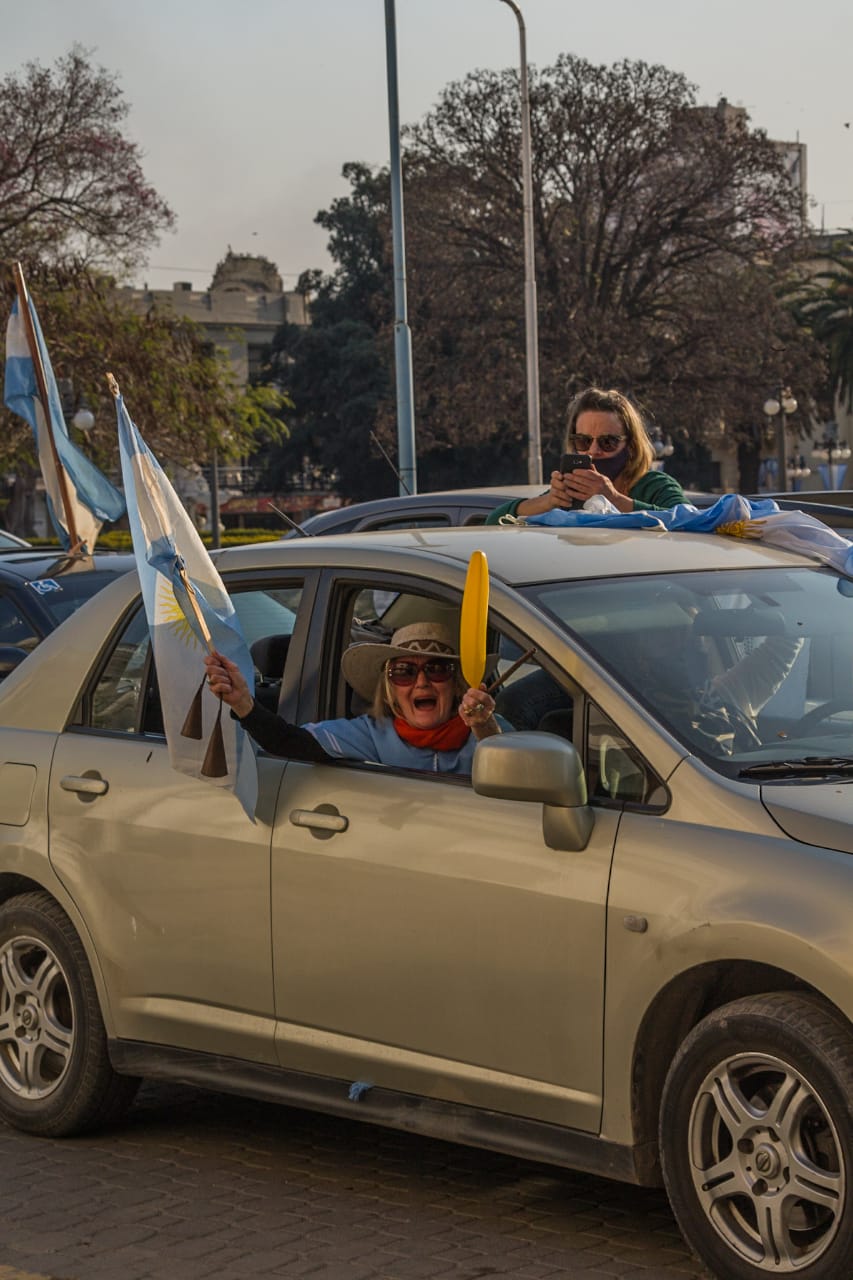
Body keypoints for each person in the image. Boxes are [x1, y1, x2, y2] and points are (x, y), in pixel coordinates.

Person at [204, 621, 502, 775]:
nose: (421, 682)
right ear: (390, 688)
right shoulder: (370, 735)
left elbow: (508, 764)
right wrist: (244, 704)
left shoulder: (488, 725)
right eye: (404, 671)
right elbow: (291, 742)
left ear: (456, 684)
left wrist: (483, 727)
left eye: (436, 669)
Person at [486, 386, 685, 524]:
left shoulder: (655, 485)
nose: (593, 451)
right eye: (583, 441)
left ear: (631, 445)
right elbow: (494, 521)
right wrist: (549, 501)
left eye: (608, 442)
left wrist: (613, 499)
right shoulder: (573, 492)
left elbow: (692, 521)